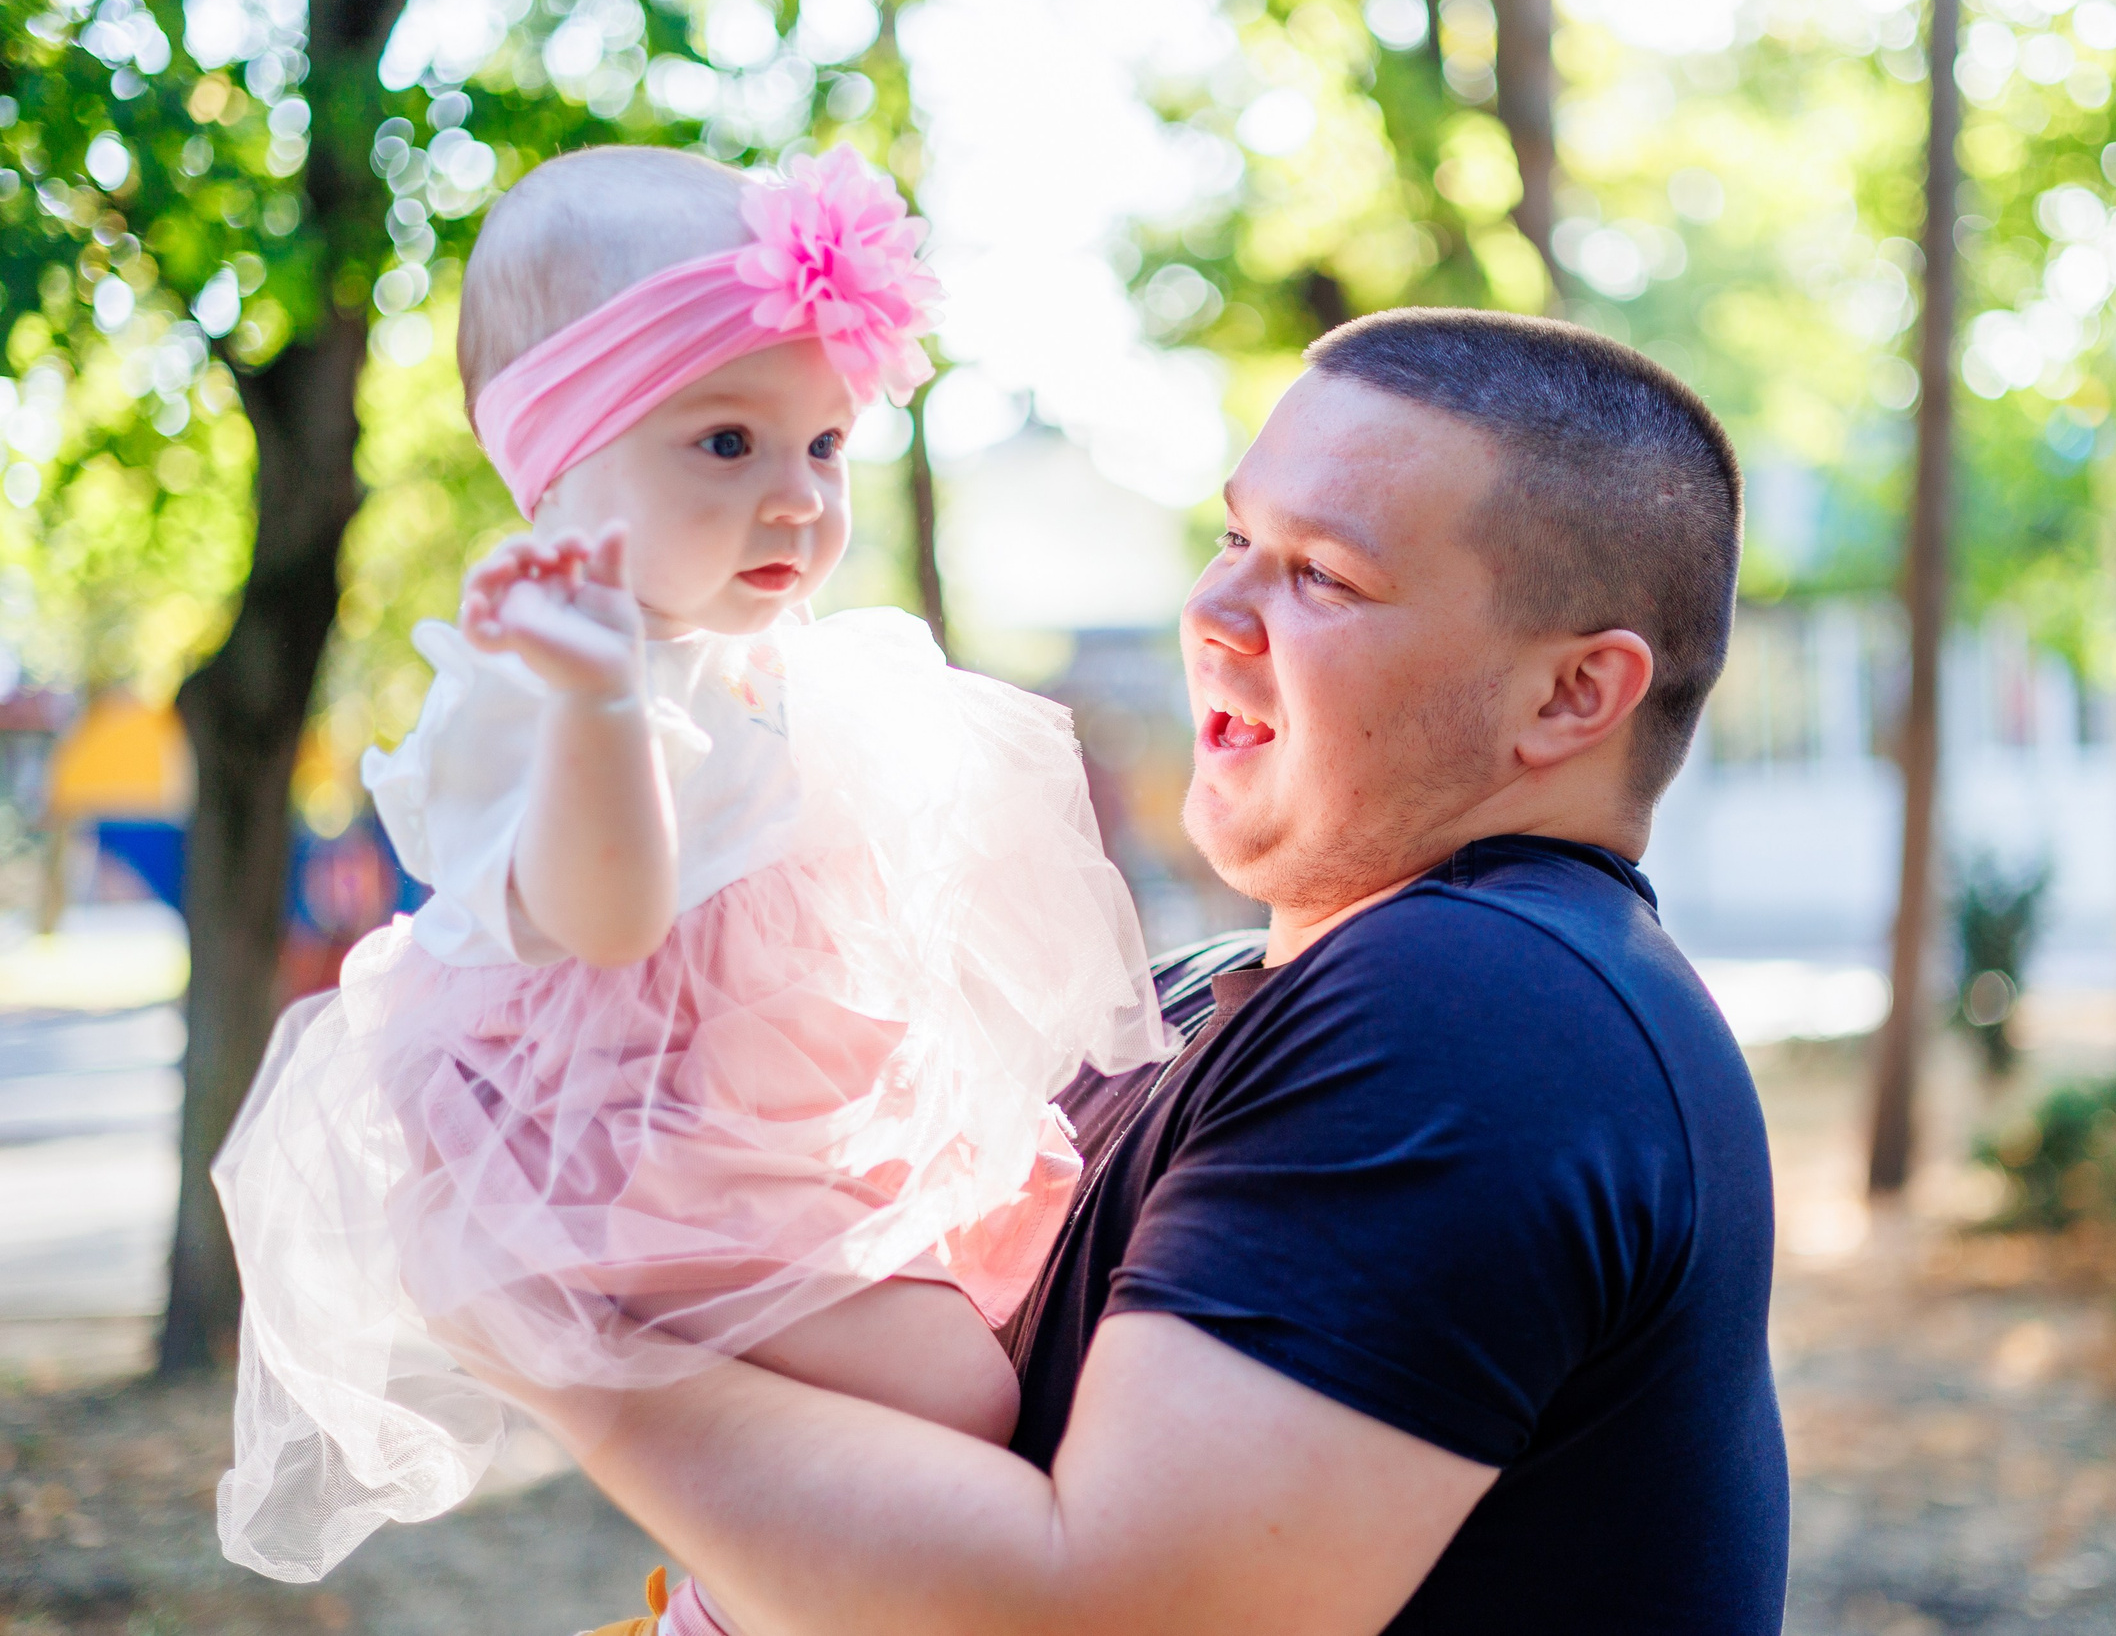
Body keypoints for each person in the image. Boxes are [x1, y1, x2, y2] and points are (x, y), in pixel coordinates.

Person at [504, 305, 1789, 1636]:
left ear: (1573, 695)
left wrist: (536, 1324)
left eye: (1322, 576)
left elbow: (1110, 1614)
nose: (1214, 611)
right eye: (1237, 538)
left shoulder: (1489, 1012)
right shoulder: (1211, 996)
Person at [208, 145, 1168, 1625]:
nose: (796, 499)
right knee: (962, 1394)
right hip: (616, 1168)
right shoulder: (536, 692)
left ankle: (740, 1587)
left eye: (827, 446)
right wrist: (602, 707)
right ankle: (739, 1597)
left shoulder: (778, 671)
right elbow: (608, 914)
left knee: (1009, 1295)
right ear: (557, 468)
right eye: (726, 445)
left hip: (764, 1140)